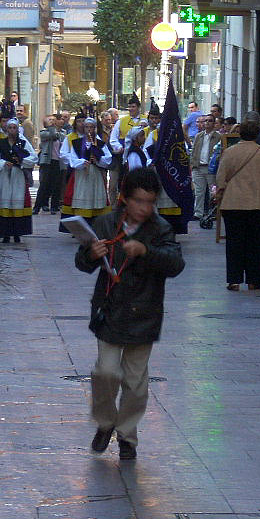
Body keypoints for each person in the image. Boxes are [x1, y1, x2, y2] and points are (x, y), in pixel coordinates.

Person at [75, 167, 185, 460]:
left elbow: (175, 263)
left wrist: (146, 251)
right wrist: (91, 254)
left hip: (144, 311)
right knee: (105, 372)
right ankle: (105, 421)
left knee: (136, 382)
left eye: (150, 202)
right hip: (110, 309)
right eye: (139, 201)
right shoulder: (106, 223)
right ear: (125, 199)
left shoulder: (160, 229)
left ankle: (127, 435)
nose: (144, 208)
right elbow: (82, 263)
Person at [215, 119, 260, 291]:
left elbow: (221, 178)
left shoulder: (229, 152)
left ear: (239, 133)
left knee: (234, 243)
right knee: (256, 244)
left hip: (232, 203)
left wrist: (221, 193)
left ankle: (234, 280)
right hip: (258, 204)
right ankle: (254, 280)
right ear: (257, 134)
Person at [0, 117, 38, 243]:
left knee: (16, 202)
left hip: (17, 176)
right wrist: (3, 163)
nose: (12, 130)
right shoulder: (0, 144)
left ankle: (17, 233)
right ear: (7, 129)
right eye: (10, 128)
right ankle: (4, 233)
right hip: (3, 177)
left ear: (18, 129)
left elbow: (33, 157)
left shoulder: (23, 143)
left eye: (14, 128)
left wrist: (21, 161)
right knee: (4, 202)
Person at [141, 98, 187, 233]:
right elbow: (146, 150)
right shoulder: (154, 134)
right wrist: (152, 161)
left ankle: (173, 229)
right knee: (159, 199)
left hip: (173, 173)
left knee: (173, 199)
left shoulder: (176, 135)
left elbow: (182, 151)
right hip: (159, 172)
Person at [59, 113, 112, 230]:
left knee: (95, 198)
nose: (89, 129)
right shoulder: (77, 143)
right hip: (81, 175)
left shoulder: (100, 143)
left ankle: (96, 225)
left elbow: (108, 159)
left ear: (94, 128)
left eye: (91, 127)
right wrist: (82, 162)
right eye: (86, 127)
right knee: (81, 198)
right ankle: (81, 226)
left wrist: (98, 160)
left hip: (95, 175)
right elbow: (72, 159)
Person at [190, 115, 221, 218]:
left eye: (210, 121)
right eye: (205, 121)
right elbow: (193, 151)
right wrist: (193, 165)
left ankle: (212, 212)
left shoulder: (218, 137)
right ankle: (198, 213)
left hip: (211, 168)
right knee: (199, 192)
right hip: (198, 167)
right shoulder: (199, 136)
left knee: (212, 192)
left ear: (214, 123)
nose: (207, 123)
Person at [34, 115, 64, 215]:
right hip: (47, 161)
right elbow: (52, 135)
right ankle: (37, 206)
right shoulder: (44, 132)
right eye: (49, 120)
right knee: (43, 184)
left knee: (56, 185)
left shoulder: (62, 133)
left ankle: (54, 207)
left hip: (58, 161)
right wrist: (52, 128)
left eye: (53, 120)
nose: (51, 121)